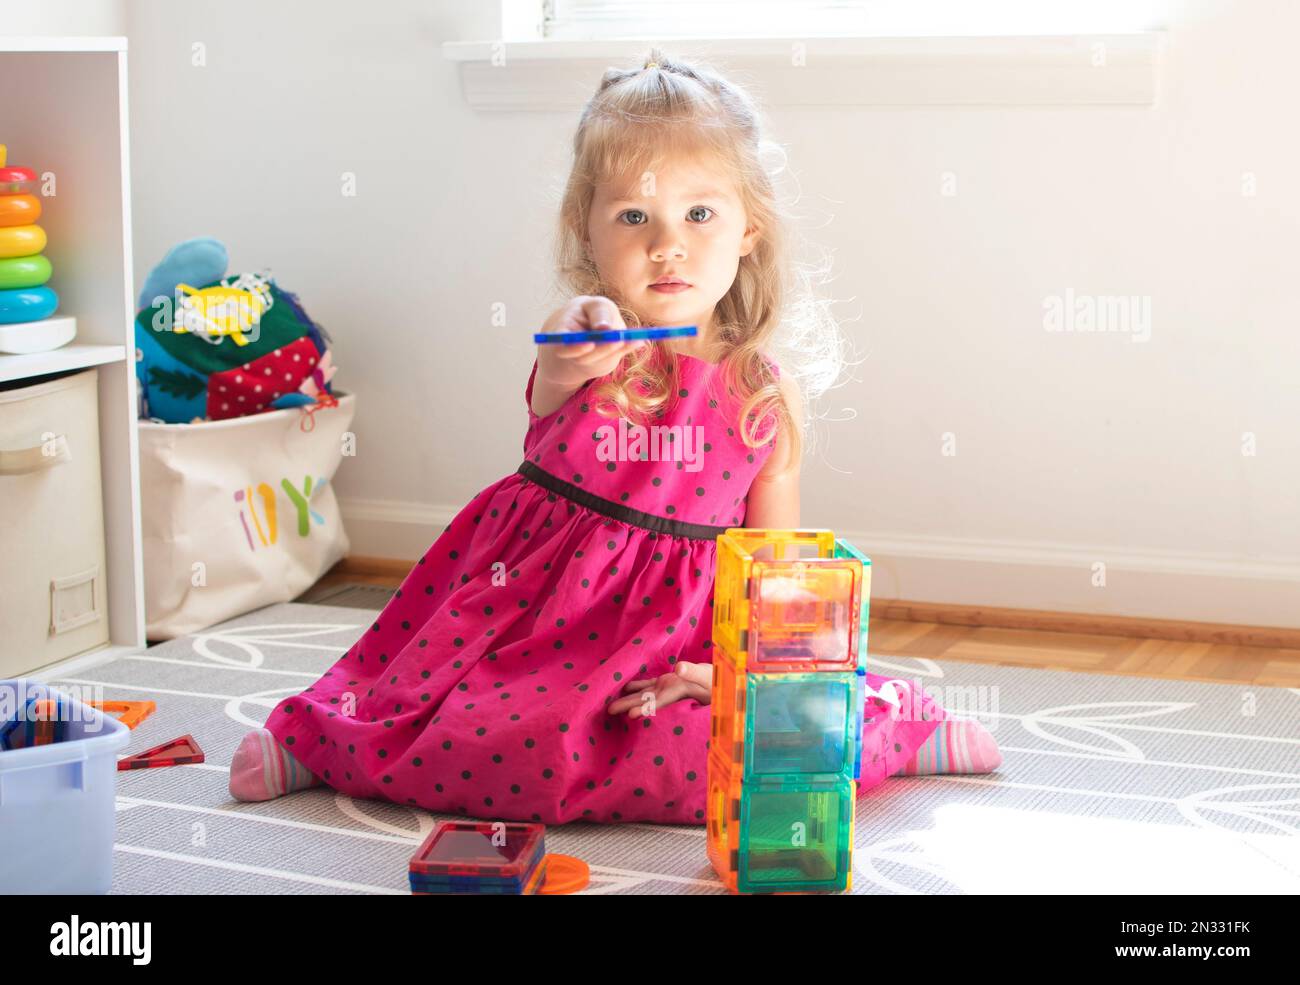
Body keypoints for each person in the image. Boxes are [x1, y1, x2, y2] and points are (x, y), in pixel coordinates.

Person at [228, 49, 1000, 824]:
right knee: (499, 734)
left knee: (744, 747)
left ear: (747, 230)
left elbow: (780, 567)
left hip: (678, 648)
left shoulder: (762, 391)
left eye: (699, 214)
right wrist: (572, 340)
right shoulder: (588, 350)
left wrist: (719, 671)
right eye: (634, 215)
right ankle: (321, 743)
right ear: (586, 230)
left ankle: (898, 733)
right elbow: (559, 355)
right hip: (535, 632)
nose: (668, 243)